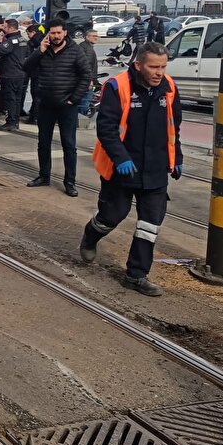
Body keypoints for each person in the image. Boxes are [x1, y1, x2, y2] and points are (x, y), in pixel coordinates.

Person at [79, 42, 183, 297]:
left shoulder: (168, 87)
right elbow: (106, 128)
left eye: (163, 66)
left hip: (156, 169)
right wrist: (121, 158)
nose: (159, 72)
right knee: (111, 216)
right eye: (153, 67)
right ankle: (91, 236)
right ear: (138, 65)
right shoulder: (117, 86)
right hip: (122, 169)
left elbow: (174, 127)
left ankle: (136, 275)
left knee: (150, 224)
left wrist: (176, 156)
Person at [25, 22, 92, 197]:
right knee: (43, 142)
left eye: (58, 32)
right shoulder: (43, 50)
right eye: (53, 33)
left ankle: (70, 182)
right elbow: (26, 67)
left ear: (65, 33)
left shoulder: (75, 50)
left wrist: (74, 99)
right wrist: (39, 50)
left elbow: (86, 75)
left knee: (69, 145)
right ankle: (43, 176)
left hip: (67, 106)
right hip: (46, 104)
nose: (56, 36)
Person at [0, 19, 28, 131]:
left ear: (10, 28)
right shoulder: (23, 39)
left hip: (10, 74)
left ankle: (11, 122)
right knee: (17, 99)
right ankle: (15, 121)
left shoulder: (10, 41)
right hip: (20, 74)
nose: (3, 29)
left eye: (4, 27)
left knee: (10, 99)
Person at [79, 29, 101, 116]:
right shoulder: (88, 49)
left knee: (82, 100)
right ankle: (81, 119)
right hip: (86, 81)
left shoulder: (83, 46)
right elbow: (87, 66)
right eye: (93, 36)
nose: (96, 38)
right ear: (87, 37)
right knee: (85, 101)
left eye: (97, 36)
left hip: (82, 80)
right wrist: (90, 80)